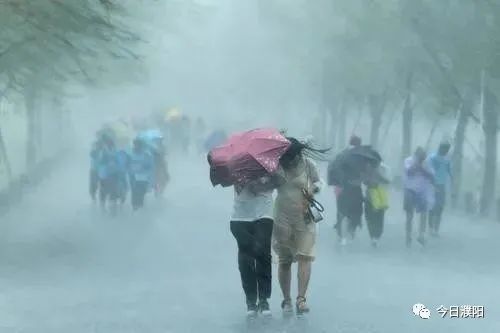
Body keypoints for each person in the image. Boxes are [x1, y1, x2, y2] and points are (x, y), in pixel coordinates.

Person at [273, 138, 327, 315]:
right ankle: (286, 299)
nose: (291, 160)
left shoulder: (308, 164)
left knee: (305, 256)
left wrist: (314, 190)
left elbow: (319, 182)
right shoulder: (276, 166)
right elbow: (269, 185)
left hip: (305, 217)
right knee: (285, 259)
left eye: (293, 156)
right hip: (282, 217)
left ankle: (301, 299)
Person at [230, 176, 281, 319]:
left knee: (263, 253)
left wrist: (262, 185)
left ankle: (264, 299)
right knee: (245, 257)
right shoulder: (236, 162)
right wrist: (243, 181)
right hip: (240, 216)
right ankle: (251, 301)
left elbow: (280, 180)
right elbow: (227, 180)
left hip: (264, 212)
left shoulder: (269, 161)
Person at [332, 135, 364, 246]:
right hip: (354, 187)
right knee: (356, 209)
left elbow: (335, 168)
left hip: (342, 187)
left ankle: (341, 234)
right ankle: (351, 230)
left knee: (341, 210)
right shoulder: (360, 156)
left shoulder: (342, 154)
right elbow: (363, 171)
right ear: (359, 144)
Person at [404, 147, 435, 247]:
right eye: (420, 156)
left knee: (423, 214)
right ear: (416, 155)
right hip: (410, 190)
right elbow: (409, 172)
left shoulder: (427, 163)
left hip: (422, 191)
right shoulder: (408, 160)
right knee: (409, 215)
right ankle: (408, 235)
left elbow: (431, 176)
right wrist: (417, 164)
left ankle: (421, 234)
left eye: (423, 157)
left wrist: (423, 167)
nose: (422, 158)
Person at [364, 161, 391, 248]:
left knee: (378, 217)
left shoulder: (383, 168)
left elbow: (387, 180)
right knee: (370, 217)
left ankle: (376, 236)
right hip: (370, 196)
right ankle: (373, 236)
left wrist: (379, 178)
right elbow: (364, 181)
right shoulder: (366, 169)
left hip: (380, 196)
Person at [427, 142, 451, 237]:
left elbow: (449, 170)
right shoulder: (432, 158)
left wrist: (453, 180)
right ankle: (430, 228)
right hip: (433, 185)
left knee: (440, 207)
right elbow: (428, 171)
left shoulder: (447, 159)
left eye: (447, 150)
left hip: (442, 185)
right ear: (441, 148)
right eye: (445, 150)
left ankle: (436, 229)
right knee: (432, 206)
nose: (446, 152)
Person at [128, 138, 154, 210]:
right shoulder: (130, 154)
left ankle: (140, 205)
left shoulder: (147, 155)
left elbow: (150, 166)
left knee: (142, 192)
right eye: (135, 145)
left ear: (141, 146)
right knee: (134, 192)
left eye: (138, 145)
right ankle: (135, 207)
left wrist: (144, 167)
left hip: (143, 177)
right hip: (133, 176)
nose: (137, 146)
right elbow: (127, 164)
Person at [97, 135, 120, 215]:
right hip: (104, 174)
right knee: (103, 190)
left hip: (113, 173)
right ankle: (103, 204)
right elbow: (100, 161)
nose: (110, 145)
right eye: (108, 143)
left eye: (111, 144)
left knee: (113, 189)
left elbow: (118, 161)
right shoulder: (103, 151)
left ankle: (112, 204)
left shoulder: (115, 151)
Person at [89, 134, 103, 202]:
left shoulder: (104, 149)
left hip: (101, 170)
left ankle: (101, 197)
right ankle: (93, 195)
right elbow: (92, 154)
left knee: (102, 185)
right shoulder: (94, 148)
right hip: (94, 169)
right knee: (94, 184)